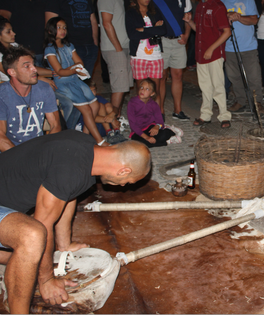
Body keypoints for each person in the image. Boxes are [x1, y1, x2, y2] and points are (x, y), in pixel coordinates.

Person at [0, 129, 151, 313]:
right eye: (126, 181)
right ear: (123, 171)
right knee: (32, 237)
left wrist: (65, 244)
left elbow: (69, 194)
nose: (122, 186)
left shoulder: (86, 149)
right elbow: (43, 223)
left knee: (26, 260)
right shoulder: (70, 169)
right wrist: (46, 279)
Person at [44, 17, 112, 146]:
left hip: (75, 80)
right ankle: (99, 141)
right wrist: (73, 69)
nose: (63, 30)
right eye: (59, 27)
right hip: (64, 84)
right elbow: (59, 71)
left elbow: (79, 62)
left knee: (95, 105)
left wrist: (71, 69)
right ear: (50, 30)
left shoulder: (69, 45)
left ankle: (84, 137)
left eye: (64, 27)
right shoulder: (50, 49)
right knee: (86, 110)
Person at [0, 46, 61, 152]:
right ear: (12, 72)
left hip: (38, 149)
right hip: (10, 152)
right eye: (27, 66)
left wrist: (43, 151)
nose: (34, 69)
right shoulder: (2, 94)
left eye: (33, 64)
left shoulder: (44, 88)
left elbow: (55, 125)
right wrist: (23, 159)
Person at [183, 0, 232, 128]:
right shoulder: (200, 6)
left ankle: (224, 115)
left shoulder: (218, 6)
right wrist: (190, 22)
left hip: (214, 54)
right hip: (201, 53)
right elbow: (198, 29)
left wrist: (211, 48)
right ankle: (206, 115)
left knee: (218, 85)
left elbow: (227, 31)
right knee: (205, 86)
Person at [152, 0, 192, 121]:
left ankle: (177, 110)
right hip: (162, 41)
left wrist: (186, 35)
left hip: (178, 41)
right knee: (161, 76)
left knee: (178, 75)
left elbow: (188, 18)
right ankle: (160, 110)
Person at [222, 0, 264, 114]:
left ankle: (257, 102)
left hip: (248, 46)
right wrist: (226, 15)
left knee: (253, 76)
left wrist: (238, 17)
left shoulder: (248, 1)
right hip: (229, 46)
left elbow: (254, 20)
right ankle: (240, 100)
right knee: (233, 76)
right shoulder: (221, 2)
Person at [98, 0, 134, 119]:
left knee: (123, 85)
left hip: (123, 46)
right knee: (119, 85)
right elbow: (106, 23)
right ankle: (113, 121)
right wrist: (118, 48)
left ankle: (117, 116)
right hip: (114, 47)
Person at [45, 0, 100, 77]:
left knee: (86, 78)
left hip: (89, 45)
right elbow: (50, 24)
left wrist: (95, 44)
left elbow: (93, 21)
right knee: (71, 77)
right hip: (69, 46)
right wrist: (56, 47)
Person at [125, 0, 166, 93]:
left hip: (156, 57)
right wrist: (154, 29)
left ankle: (155, 108)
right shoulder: (131, 13)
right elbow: (132, 34)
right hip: (139, 56)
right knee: (141, 92)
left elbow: (162, 30)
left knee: (155, 92)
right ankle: (141, 108)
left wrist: (143, 29)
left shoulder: (155, 11)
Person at [128, 78, 182, 147]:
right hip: (138, 132)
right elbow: (133, 125)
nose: (142, 90)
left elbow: (160, 121)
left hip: (150, 128)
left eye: (147, 89)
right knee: (139, 144)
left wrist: (157, 126)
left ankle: (170, 130)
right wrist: (146, 137)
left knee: (164, 134)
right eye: (141, 87)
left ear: (152, 93)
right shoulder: (132, 103)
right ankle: (167, 142)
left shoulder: (154, 104)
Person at [86, 79, 126, 144]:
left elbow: (115, 108)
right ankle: (109, 133)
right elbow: (89, 119)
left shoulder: (97, 97)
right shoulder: (83, 103)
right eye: (90, 91)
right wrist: (108, 119)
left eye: (94, 90)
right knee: (101, 106)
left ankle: (116, 132)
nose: (93, 93)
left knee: (108, 105)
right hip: (93, 129)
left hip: (106, 125)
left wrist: (112, 115)